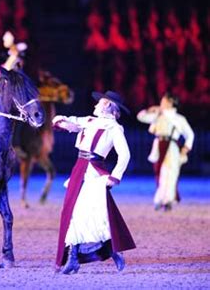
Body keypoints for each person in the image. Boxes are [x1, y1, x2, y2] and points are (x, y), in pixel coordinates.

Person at [52, 90, 136, 274]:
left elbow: (125, 154)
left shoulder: (114, 128)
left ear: (107, 106)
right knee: (73, 211)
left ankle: (114, 250)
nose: (95, 105)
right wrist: (61, 122)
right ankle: (73, 257)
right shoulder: (89, 121)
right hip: (78, 169)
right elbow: (69, 121)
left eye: (100, 103)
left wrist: (115, 176)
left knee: (96, 214)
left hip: (94, 172)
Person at [136, 92, 194, 211]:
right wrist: (151, 109)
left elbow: (190, 134)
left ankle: (167, 200)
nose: (161, 103)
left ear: (170, 103)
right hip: (158, 145)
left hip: (172, 146)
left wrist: (186, 148)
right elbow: (140, 117)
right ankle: (160, 199)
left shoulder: (179, 119)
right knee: (160, 172)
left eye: (163, 101)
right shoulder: (158, 115)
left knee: (171, 173)